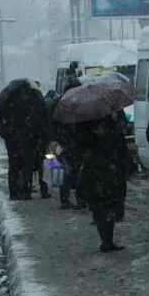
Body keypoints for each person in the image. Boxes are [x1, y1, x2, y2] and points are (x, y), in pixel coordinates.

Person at [74, 109, 130, 253]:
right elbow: (121, 152)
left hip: (98, 175)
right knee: (106, 207)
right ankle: (107, 241)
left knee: (100, 208)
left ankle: (106, 240)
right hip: (106, 175)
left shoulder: (86, 130)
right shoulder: (110, 131)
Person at [0, 79, 48, 200]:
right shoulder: (34, 98)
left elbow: (1, 118)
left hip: (11, 138)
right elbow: (41, 117)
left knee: (14, 163)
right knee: (27, 163)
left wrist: (8, 133)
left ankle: (13, 191)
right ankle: (26, 191)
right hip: (28, 137)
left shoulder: (8, 99)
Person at [53, 72, 86, 210]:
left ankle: (70, 199)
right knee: (73, 172)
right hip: (71, 143)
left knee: (70, 172)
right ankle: (77, 200)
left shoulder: (61, 103)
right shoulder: (78, 105)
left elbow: (53, 124)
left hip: (68, 143)